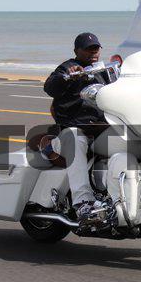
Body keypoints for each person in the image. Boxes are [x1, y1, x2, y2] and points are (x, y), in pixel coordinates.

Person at [43, 33, 111, 227]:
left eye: (96, 48)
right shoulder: (67, 68)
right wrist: (67, 77)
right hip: (71, 131)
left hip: (99, 130)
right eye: (88, 48)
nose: (93, 52)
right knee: (75, 138)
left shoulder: (102, 71)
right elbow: (50, 87)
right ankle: (83, 203)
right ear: (76, 51)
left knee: (130, 137)